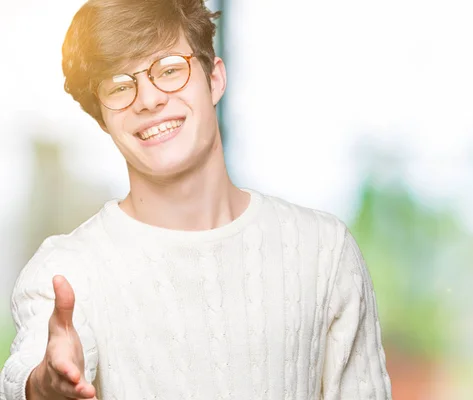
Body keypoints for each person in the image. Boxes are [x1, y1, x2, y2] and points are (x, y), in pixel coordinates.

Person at [0, 0, 392, 398]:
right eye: (120, 86)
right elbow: (30, 369)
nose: (149, 99)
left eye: (170, 70)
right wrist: (44, 385)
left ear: (215, 79)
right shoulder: (66, 270)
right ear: (103, 119)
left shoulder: (323, 251)